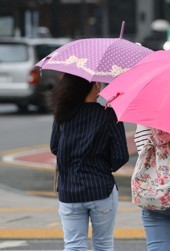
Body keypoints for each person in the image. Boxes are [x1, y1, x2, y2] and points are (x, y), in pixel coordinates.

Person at [48, 74, 129, 250]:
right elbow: (121, 156)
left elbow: (55, 147)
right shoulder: (108, 115)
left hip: (69, 191)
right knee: (103, 244)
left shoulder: (62, 115)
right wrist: (101, 164)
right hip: (101, 189)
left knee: (74, 244)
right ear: (93, 85)